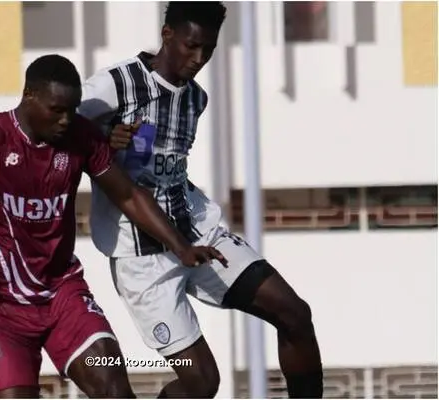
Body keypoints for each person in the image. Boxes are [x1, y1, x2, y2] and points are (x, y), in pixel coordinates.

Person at [0, 54, 226, 399]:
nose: (66, 120)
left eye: (72, 110)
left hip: (63, 296)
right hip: (1, 310)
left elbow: (129, 195)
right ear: (29, 96)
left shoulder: (81, 138)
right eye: (56, 110)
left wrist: (180, 246)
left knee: (113, 386)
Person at [78, 2, 323, 398]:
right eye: (191, 46)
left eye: (208, 49)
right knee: (203, 383)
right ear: (167, 34)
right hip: (142, 258)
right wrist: (102, 140)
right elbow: (53, 128)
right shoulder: (114, 85)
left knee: (294, 313)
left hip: (197, 231)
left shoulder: (196, 98)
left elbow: (158, 160)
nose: (199, 59)